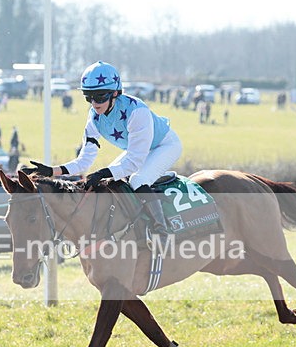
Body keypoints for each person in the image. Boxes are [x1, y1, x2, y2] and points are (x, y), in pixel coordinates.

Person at [22, 61, 181, 238]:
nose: (94, 103)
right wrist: (52, 171)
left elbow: (135, 162)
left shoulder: (137, 111)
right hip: (138, 150)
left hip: (165, 146)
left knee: (137, 179)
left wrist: (104, 171)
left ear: (115, 93)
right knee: (109, 183)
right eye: (88, 97)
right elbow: (84, 161)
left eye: (99, 97)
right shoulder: (93, 119)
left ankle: (161, 231)